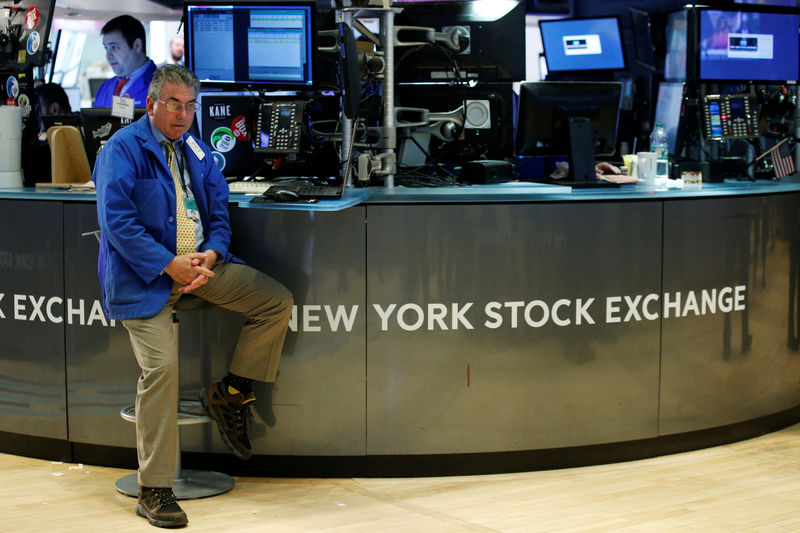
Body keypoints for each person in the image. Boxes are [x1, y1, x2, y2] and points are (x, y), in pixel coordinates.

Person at [94, 64, 293, 528]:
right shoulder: (121, 150)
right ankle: (155, 489)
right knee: (162, 368)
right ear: (152, 105)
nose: (183, 115)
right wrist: (170, 263)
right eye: (174, 105)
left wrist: (212, 252)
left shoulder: (197, 149)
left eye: (190, 106)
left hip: (201, 269)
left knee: (274, 301)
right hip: (148, 277)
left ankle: (230, 392)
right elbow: (118, 223)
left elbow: (219, 212)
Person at [94, 15, 157, 108]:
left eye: (114, 47)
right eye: (106, 48)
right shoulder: (105, 88)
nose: (108, 55)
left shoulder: (162, 87)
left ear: (137, 45)